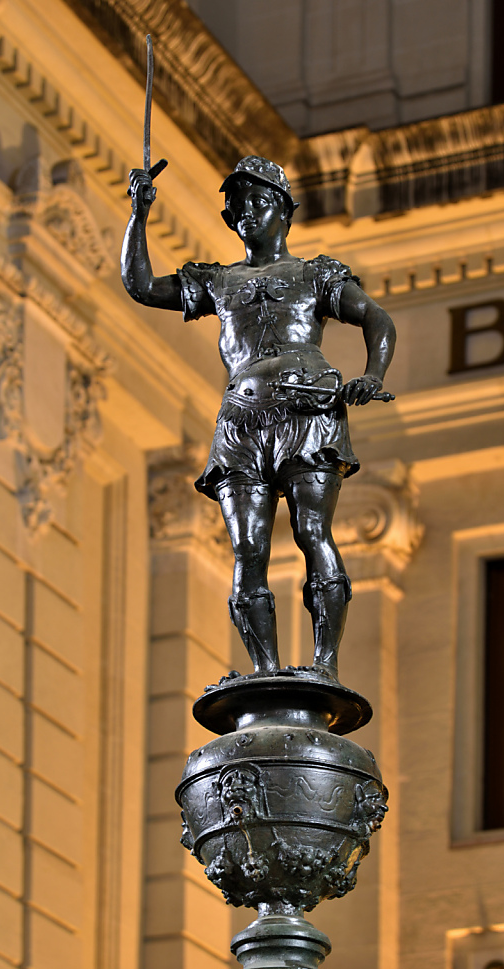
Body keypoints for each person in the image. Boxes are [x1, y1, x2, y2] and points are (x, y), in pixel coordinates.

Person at [121, 156, 396, 685]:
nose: (248, 211)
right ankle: (265, 670)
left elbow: (376, 318)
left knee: (312, 530)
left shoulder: (313, 275)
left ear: (284, 211)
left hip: (308, 412)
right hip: (241, 423)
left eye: (260, 201)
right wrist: (139, 212)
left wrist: (373, 374)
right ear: (229, 218)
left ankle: (325, 664)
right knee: (248, 549)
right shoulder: (218, 281)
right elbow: (142, 286)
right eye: (238, 205)